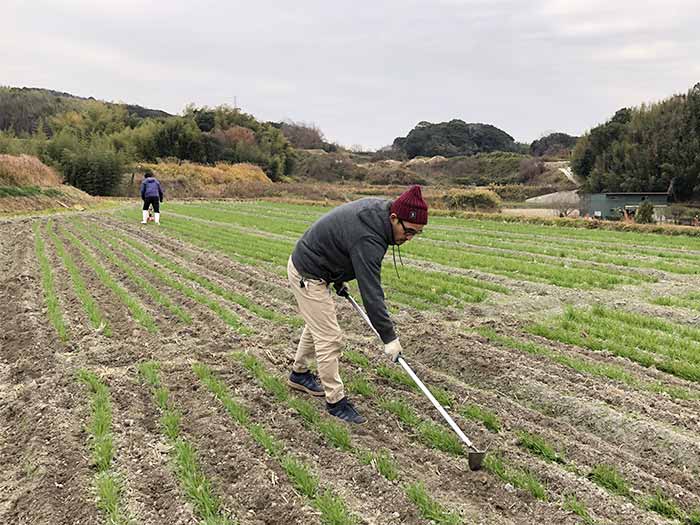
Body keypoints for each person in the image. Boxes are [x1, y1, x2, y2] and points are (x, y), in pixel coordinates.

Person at [287, 185, 428, 424]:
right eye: (409, 231)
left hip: (323, 268)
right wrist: (389, 338)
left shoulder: (381, 216)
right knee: (330, 337)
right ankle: (335, 402)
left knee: (318, 324)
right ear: (394, 218)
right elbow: (371, 292)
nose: (410, 238)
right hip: (307, 273)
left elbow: (343, 240)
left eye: (417, 233)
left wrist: (339, 277)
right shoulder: (370, 237)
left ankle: (299, 374)